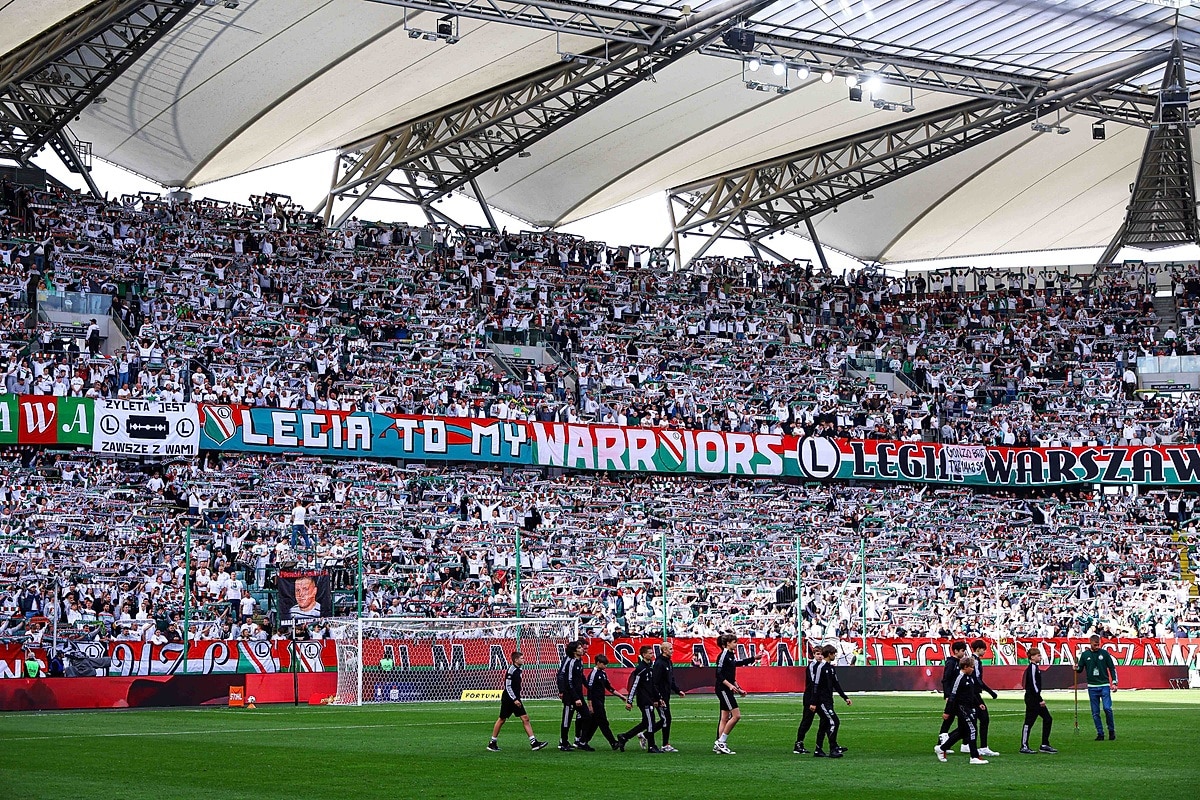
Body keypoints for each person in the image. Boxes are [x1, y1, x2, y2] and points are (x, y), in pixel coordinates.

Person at [488, 651, 549, 752]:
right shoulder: (511, 670)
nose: (524, 659)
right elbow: (507, 686)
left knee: (525, 718)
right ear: (516, 660)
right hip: (509, 699)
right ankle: (492, 742)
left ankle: (534, 743)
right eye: (522, 658)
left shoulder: (519, 669)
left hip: (515, 698)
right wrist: (514, 699)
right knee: (502, 719)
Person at [935, 656, 989, 765]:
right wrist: (947, 711)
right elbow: (952, 695)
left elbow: (971, 693)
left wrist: (979, 703)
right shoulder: (959, 678)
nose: (973, 669)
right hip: (962, 708)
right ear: (965, 667)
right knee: (973, 729)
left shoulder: (969, 677)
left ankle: (942, 748)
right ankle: (974, 756)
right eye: (971, 667)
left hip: (969, 707)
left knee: (962, 732)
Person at [713, 633, 757, 755]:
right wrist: (730, 686)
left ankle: (719, 743)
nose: (736, 644)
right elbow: (719, 674)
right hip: (723, 689)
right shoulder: (723, 655)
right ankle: (721, 742)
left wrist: (738, 687)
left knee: (724, 718)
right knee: (736, 715)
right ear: (728, 643)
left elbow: (733, 669)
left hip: (726, 688)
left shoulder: (731, 656)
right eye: (734, 642)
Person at [616, 645, 662, 753]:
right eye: (650, 653)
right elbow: (634, 685)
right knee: (650, 722)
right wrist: (629, 701)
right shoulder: (640, 669)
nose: (652, 655)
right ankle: (651, 746)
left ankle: (624, 737)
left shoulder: (650, 667)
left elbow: (652, 686)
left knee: (646, 723)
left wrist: (658, 698)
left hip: (649, 699)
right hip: (644, 700)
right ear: (644, 655)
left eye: (652, 653)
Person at [959, 639, 999, 756]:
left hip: (973, 693)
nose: (984, 651)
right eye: (983, 649)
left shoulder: (974, 660)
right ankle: (983, 746)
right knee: (984, 718)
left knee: (972, 719)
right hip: (974, 694)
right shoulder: (974, 661)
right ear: (978, 649)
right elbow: (977, 680)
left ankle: (965, 744)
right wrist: (991, 692)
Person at [1075, 634, 1118, 740]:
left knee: (1107, 708)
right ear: (1090, 644)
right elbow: (1080, 669)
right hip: (1092, 687)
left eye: (1098, 644)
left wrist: (1114, 682)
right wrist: (1075, 668)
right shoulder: (1085, 655)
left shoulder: (1104, 653)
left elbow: (1112, 668)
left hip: (1104, 685)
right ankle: (1100, 733)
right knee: (1095, 712)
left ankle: (1111, 730)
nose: (1097, 647)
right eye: (1095, 645)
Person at [812, 644, 851, 758]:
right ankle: (833, 748)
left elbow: (836, 684)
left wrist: (845, 697)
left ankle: (818, 749)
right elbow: (816, 685)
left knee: (824, 724)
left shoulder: (831, 668)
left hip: (829, 700)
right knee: (834, 721)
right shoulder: (821, 667)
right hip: (822, 701)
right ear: (829, 654)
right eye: (834, 653)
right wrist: (813, 702)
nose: (835, 656)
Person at [651, 640, 687, 752]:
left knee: (665, 719)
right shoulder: (659, 663)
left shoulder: (668, 662)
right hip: (661, 697)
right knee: (666, 719)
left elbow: (670, 680)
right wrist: (658, 698)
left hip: (666, 696)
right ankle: (665, 744)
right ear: (664, 650)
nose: (672, 650)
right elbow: (655, 682)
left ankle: (647, 734)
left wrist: (677, 690)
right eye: (670, 649)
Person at [579, 653, 620, 750]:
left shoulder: (603, 673)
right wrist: (590, 705)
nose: (605, 666)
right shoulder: (593, 673)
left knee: (594, 723)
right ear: (598, 663)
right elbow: (589, 689)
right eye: (604, 664)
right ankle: (613, 742)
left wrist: (621, 696)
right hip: (595, 702)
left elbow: (609, 687)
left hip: (601, 701)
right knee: (603, 722)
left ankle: (583, 741)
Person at [1020, 649, 1056, 754]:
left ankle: (1044, 744)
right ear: (1032, 657)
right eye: (1038, 655)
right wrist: (1039, 699)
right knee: (1029, 722)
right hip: (1032, 699)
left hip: (1034, 697)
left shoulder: (1035, 668)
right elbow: (1033, 684)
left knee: (1048, 719)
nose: (1040, 657)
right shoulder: (1032, 668)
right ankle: (1024, 745)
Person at [556, 640, 590, 751]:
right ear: (574, 650)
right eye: (580, 648)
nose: (582, 650)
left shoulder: (579, 661)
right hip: (570, 696)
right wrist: (574, 697)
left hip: (578, 695)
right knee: (567, 719)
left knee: (587, 716)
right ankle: (563, 742)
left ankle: (581, 740)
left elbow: (581, 677)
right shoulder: (570, 662)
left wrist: (589, 687)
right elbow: (568, 680)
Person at [937, 641, 969, 744]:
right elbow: (946, 679)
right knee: (951, 719)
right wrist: (947, 695)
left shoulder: (959, 662)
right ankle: (944, 743)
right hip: (953, 696)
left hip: (958, 695)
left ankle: (943, 743)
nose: (963, 653)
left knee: (951, 720)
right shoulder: (951, 662)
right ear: (956, 651)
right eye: (962, 651)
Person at [794, 643, 823, 754]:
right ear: (814, 655)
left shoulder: (822, 666)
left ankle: (830, 744)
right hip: (810, 698)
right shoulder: (812, 667)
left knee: (827, 720)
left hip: (819, 698)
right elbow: (813, 683)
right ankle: (798, 743)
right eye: (817, 654)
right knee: (807, 721)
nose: (820, 656)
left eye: (821, 654)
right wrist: (812, 700)